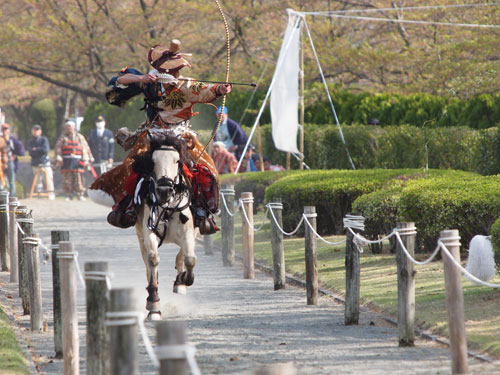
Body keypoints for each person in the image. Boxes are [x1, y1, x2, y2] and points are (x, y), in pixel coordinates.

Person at [90, 39, 232, 233]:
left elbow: (206, 90)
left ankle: (202, 211)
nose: (176, 73)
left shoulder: (187, 85)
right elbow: (119, 81)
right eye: (172, 70)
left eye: (177, 70)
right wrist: (142, 80)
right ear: (161, 70)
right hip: (153, 132)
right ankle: (129, 206)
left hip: (181, 133)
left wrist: (220, 89)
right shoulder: (149, 82)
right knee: (132, 165)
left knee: (205, 167)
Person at [55, 120, 94, 201]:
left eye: (71, 127)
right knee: (67, 179)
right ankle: (68, 194)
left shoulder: (80, 137)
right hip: (66, 161)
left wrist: (87, 159)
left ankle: (80, 194)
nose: (69, 129)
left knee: (79, 178)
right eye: (67, 127)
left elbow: (86, 148)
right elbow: (58, 148)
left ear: (74, 127)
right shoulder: (63, 138)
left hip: (78, 161)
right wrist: (59, 157)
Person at [28, 124, 55, 200]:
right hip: (35, 163)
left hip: (44, 162)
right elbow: (30, 152)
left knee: (49, 178)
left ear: (40, 131)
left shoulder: (44, 139)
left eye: (37, 130)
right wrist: (38, 150)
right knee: (37, 181)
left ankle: (51, 194)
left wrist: (36, 149)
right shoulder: (30, 141)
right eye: (34, 130)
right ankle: (39, 194)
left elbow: (45, 150)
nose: (36, 132)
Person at [1, 123, 25, 197]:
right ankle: (3, 196)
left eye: (6, 129)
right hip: (1, 162)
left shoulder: (12, 139)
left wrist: (14, 155)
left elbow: (21, 150)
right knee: (2, 180)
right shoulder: (1, 139)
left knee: (11, 180)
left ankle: (12, 197)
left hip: (10, 161)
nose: (5, 131)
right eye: (3, 129)